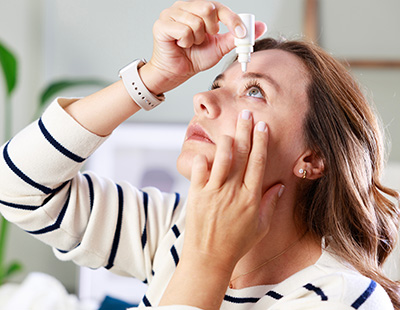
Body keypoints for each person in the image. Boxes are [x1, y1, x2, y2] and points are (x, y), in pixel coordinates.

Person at [0, 1, 399, 309]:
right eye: (216, 83)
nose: (202, 98)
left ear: (311, 159)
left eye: (255, 91)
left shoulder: (341, 300)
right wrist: (152, 76)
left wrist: (207, 261)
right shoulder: (174, 230)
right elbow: (19, 187)